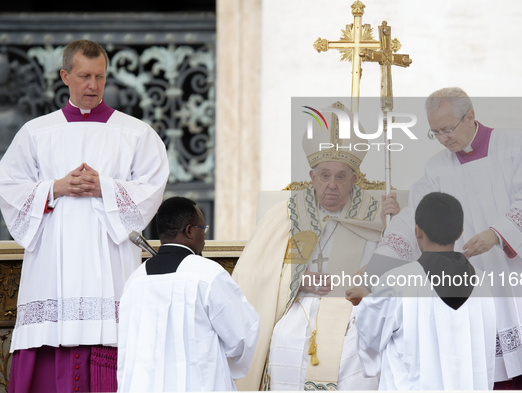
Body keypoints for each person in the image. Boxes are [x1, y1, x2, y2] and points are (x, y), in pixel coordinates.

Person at [378, 87, 522, 389]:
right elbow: (417, 215)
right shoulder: (437, 168)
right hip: (486, 285)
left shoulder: (515, 144)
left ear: (471, 117)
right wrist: (382, 262)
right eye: (435, 133)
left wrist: (497, 234)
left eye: (447, 129)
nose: (443, 139)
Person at [0, 40, 169, 392]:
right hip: (52, 265)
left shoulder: (136, 133)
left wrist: (103, 187)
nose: (93, 85)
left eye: (100, 77)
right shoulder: (36, 132)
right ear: (65, 76)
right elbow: (9, 187)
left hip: (109, 260)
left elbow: (151, 188)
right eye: (84, 76)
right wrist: (55, 188)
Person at [231, 101, 400, 391]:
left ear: (353, 180)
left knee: (358, 348)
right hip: (300, 305)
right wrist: (298, 281)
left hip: (356, 308)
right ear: (312, 177)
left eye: (340, 176)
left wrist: (397, 227)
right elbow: (255, 274)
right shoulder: (289, 213)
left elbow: (395, 268)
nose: (331, 185)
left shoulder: (378, 214)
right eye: (324, 176)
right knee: (285, 338)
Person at [356, 191, 497, 390]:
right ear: (459, 232)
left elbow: (370, 338)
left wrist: (368, 300)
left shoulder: (396, 281)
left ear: (417, 231)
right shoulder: (483, 282)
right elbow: (486, 346)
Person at [117, 197, 260, 391]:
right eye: (203, 230)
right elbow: (243, 334)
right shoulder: (207, 274)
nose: (204, 237)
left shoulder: (135, 280)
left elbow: (127, 349)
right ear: (190, 231)